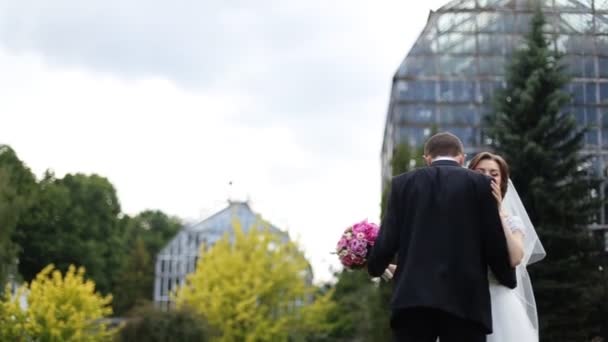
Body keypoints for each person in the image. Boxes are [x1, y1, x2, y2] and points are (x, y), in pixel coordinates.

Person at [367, 132, 516, 342]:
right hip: (466, 303)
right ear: (462, 158)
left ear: (427, 159)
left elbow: (388, 238)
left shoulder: (403, 184)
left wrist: (374, 266)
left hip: (413, 303)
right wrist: (507, 277)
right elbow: (493, 241)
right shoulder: (480, 184)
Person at [469, 152, 546, 342]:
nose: (487, 177)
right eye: (481, 172)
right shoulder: (461, 219)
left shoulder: (512, 221)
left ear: (502, 181)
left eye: (494, 173)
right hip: (466, 302)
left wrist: (499, 214)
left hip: (501, 305)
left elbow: (515, 257)